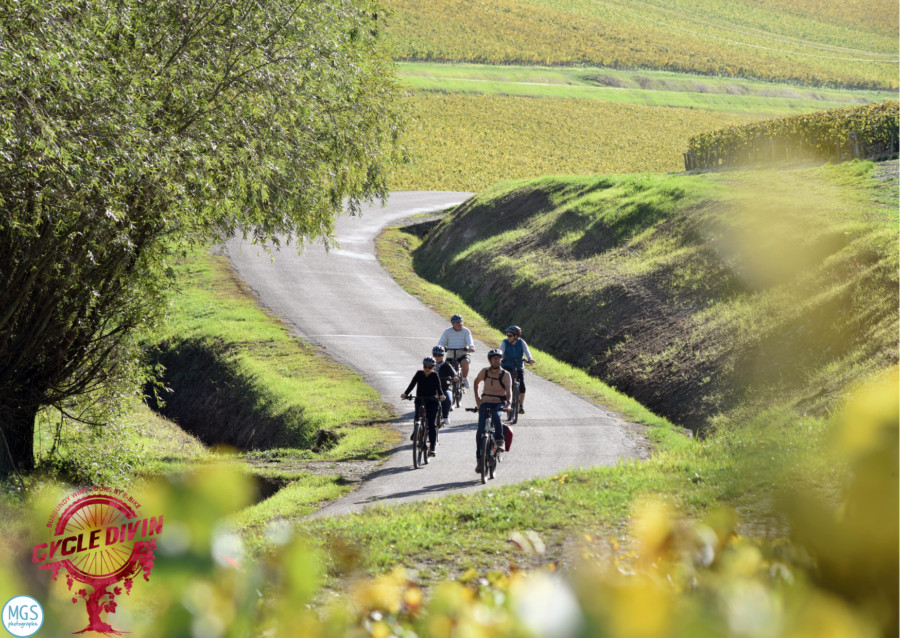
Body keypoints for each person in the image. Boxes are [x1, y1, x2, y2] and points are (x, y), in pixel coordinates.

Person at [473, 349, 511, 474]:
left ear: (501, 359)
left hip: (499, 403)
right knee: (480, 432)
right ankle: (479, 461)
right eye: (494, 358)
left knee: (496, 416)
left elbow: (509, 392)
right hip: (485, 402)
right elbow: (476, 382)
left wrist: (508, 403)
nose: (496, 359)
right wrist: (477, 398)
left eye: (498, 357)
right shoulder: (484, 371)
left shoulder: (505, 374)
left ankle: (500, 441)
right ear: (490, 360)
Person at [401, 357, 442, 456]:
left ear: (433, 367)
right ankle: (417, 431)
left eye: (430, 367)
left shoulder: (435, 375)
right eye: (425, 366)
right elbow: (412, 384)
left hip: (432, 401)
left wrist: (441, 396)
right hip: (420, 399)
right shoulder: (419, 374)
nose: (427, 368)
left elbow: (439, 388)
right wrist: (405, 393)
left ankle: (432, 447)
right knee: (417, 418)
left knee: (431, 424)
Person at [500, 326, 535, 413]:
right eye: (507, 335)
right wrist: (499, 358)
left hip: (519, 366)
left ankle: (521, 406)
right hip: (507, 365)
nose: (508, 337)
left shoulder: (521, 342)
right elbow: (500, 351)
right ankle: (502, 401)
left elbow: (527, 351)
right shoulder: (505, 342)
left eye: (510, 335)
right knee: (502, 383)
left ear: (516, 336)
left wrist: (530, 358)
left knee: (522, 385)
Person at [437, 314, 475, 388]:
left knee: (465, 362)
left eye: (460, 322)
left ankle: (464, 378)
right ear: (453, 324)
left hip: (462, 354)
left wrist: (471, 347)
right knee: (445, 368)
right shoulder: (447, 332)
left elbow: (469, 340)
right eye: (457, 323)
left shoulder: (466, 331)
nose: (459, 324)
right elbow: (442, 342)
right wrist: (441, 347)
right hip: (450, 355)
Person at [432, 346, 457, 425]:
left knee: (448, 399)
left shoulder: (447, 365)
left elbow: (454, 374)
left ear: (443, 355)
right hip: (432, 388)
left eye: (439, 355)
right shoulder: (429, 364)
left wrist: (454, 377)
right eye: (435, 355)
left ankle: (446, 416)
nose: (437, 357)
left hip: (445, 387)